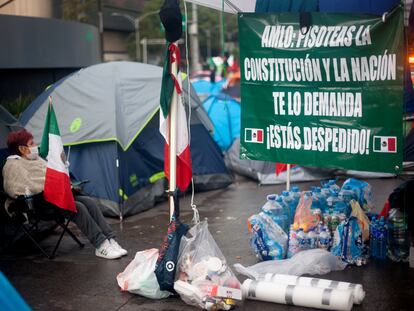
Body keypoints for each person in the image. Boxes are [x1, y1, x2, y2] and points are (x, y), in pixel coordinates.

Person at [2, 129, 127, 260]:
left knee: (89, 202)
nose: (35, 146)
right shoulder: (13, 165)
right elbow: (16, 188)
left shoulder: (37, 160)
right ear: (22, 148)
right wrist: (51, 185)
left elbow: (53, 175)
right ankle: (101, 244)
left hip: (57, 195)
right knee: (78, 207)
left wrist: (62, 173)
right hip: (39, 204)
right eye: (31, 143)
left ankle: (110, 239)